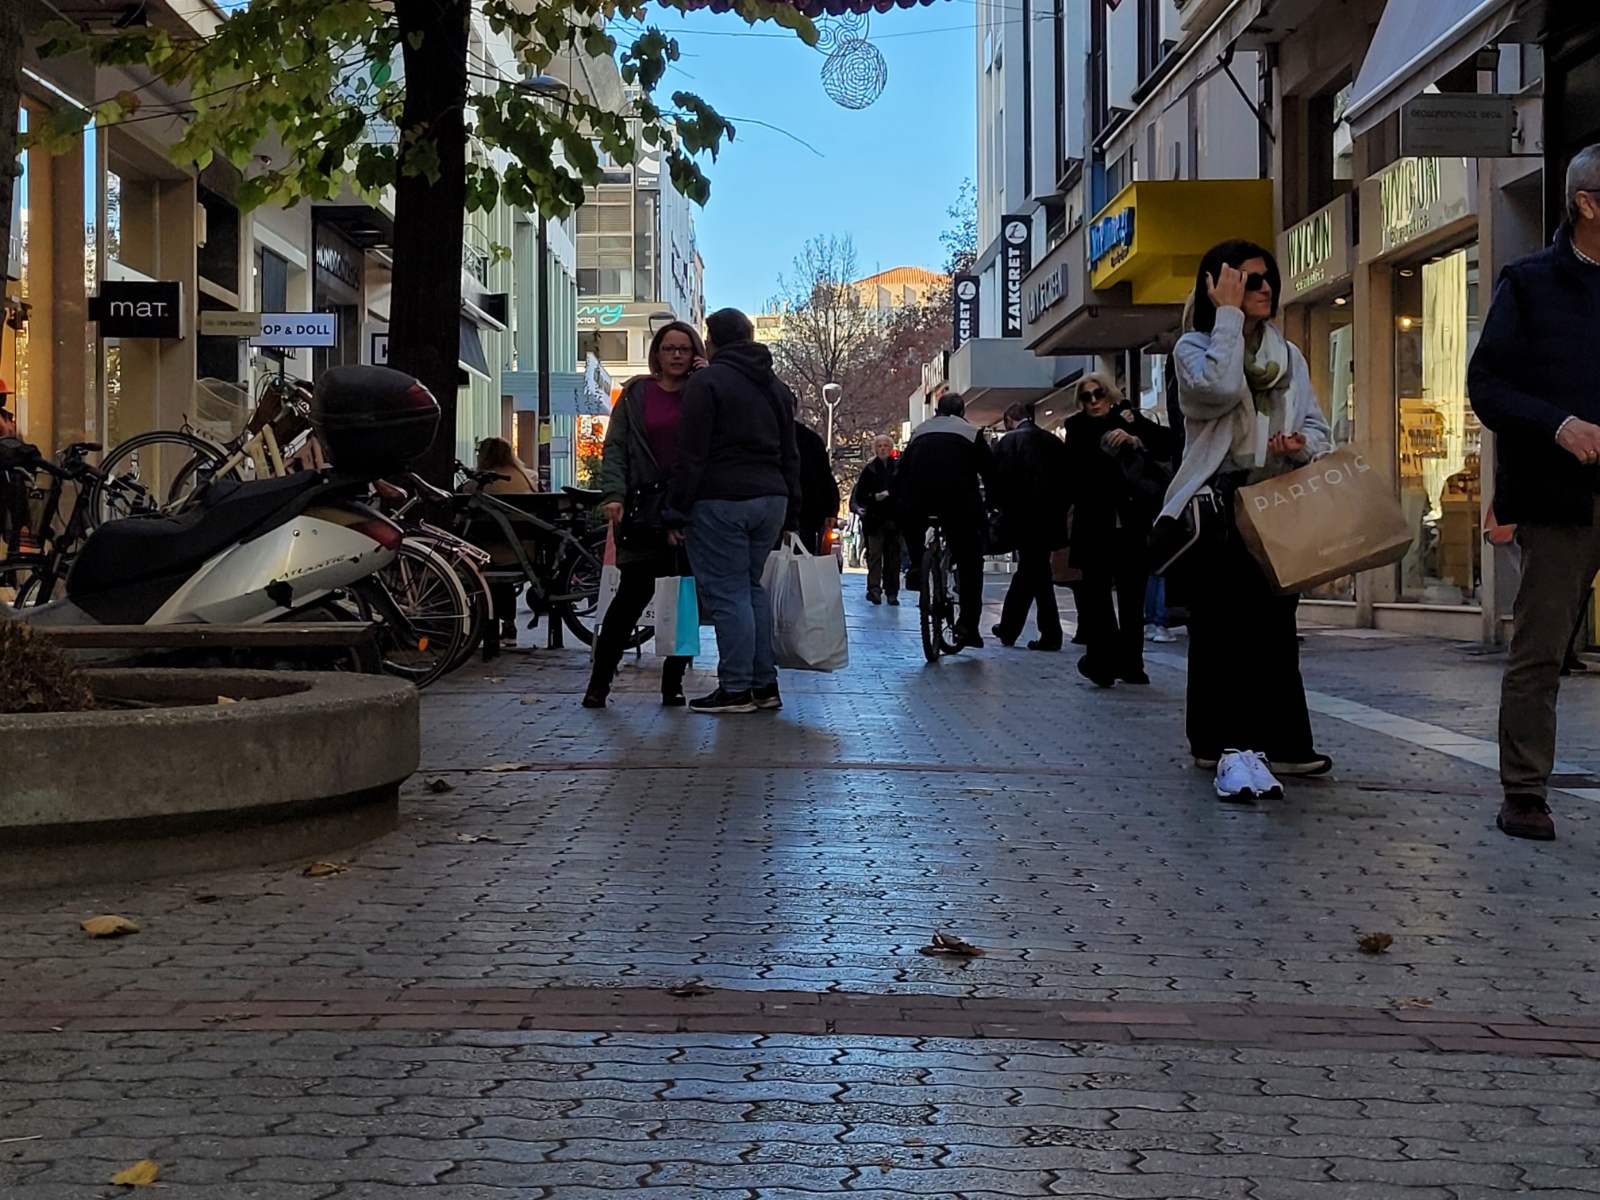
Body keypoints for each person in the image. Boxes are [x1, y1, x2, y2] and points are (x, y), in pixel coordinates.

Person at [1162, 239, 1333, 802]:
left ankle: (1285, 742)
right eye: (1248, 280)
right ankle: (1220, 744)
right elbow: (1217, 390)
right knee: (1222, 628)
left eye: (1267, 280)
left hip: (1278, 500)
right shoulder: (1195, 347)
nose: (1263, 289)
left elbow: (1319, 427)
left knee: (1277, 627)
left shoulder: (1288, 356)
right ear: (1217, 287)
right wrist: (1228, 318)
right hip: (1221, 504)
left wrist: (1301, 444)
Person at [1468, 144, 1600, 841]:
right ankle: (1524, 792)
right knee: (1542, 648)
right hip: (1559, 498)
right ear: (1587, 204)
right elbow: (1486, 386)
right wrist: (1558, 425)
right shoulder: (1529, 284)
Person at [667, 307, 801, 715]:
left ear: (713, 341)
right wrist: (792, 508)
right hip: (771, 498)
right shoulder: (776, 387)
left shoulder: (707, 382)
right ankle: (764, 684)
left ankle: (736, 687)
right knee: (750, 588)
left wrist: (676, 508)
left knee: (728, 594)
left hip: (721, 499)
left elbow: (692, 452)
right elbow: (791, 452)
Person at [584, 321, 708, 709]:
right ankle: (599, 684)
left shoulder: (703, 393)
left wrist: (708, 379)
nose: (676, 355)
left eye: (684, 349)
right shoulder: (637, 393)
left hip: (687, 509)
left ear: (695, 354)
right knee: (629, 599)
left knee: (683, 600)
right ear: (657, 353)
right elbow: (615, 446)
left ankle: (673, 683)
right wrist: (613, 494)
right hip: (643, 510)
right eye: (669, 348)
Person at [1063, 374, 1177, 685]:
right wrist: (1107, 449)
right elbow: (1075, 475)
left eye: (1098, 394)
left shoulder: (1130, 419)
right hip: (1095, 525)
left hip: (1130, 523)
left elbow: (1167, 445)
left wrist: (1134, 438)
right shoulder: (1076, 428)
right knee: (1097, 599)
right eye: (1086, 397)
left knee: (1131, 598)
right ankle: (1103, 660)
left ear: (1109, 394)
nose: (1094, 401)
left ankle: (1131, 664)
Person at [895, 393, 995, 648]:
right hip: (958, 502)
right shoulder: (971, 433)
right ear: (962, 412)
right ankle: (968, 626)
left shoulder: (919, 432)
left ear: (936, 411)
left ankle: (917, 565)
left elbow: (901, 471)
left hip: (918, 501)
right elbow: (990, 472)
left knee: (912, 527)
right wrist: (992, 504)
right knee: (970, 561)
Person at [991, 402, 1070, 650]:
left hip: (1022, 518)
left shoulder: (1008, 442)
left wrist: (997, 510)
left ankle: (1042, 632)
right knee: (1035, 572)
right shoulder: (1052, 441)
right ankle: (1015, 628)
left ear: (1008, 421)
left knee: (1033, 573)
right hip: (1049, 518)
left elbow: (997, 482)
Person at [464, 436, 538, 644]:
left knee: (487, 566)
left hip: (494, 552)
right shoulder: (527, 477)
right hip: (525, 550)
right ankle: (508, 623)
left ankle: (488, 624)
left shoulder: (481, 483)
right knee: (500, 572)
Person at [850, 434, 901, 605]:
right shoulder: (869, 470)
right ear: (875, 449)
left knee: (893, 557)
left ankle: (892, 591)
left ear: (891, 448)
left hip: (894, 519)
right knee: (875, 556)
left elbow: (904, 491)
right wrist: (874, 497)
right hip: (874, 520)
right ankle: (874, 590)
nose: (883, 449)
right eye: (879, 446)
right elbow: (861, 495)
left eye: (886, 445)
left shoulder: (898, 468)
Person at [794, 419, 840, 556]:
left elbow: (825, 478)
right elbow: (825, 477)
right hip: (807, 511)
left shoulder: (765, 433)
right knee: (804, 555)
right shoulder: (810, 439)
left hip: (796, 509)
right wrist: (831, 510)